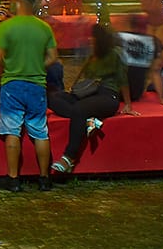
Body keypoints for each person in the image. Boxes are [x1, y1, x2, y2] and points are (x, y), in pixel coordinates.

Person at [0, 0, 59, 191]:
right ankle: (44, 179)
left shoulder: (7, 27)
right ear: (34, 3)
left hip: (12, 84)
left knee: (12, 130)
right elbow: (53, 57)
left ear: (18, 2)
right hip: (37, 85)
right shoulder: (44, 28)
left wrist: (9, 65)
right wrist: (36, 65)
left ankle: (13, 178)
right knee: (40, 131)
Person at [49, 23, 140, 177]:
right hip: (88, 94)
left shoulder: (114, 54)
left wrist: (128, 105)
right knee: (53, 98)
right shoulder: (93, 55)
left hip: (107, 95)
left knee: (79, 110)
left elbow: (122, 80)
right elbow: (85, 78)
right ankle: (88, 119)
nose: (90, 40)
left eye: (93, 37)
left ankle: (69, 158)